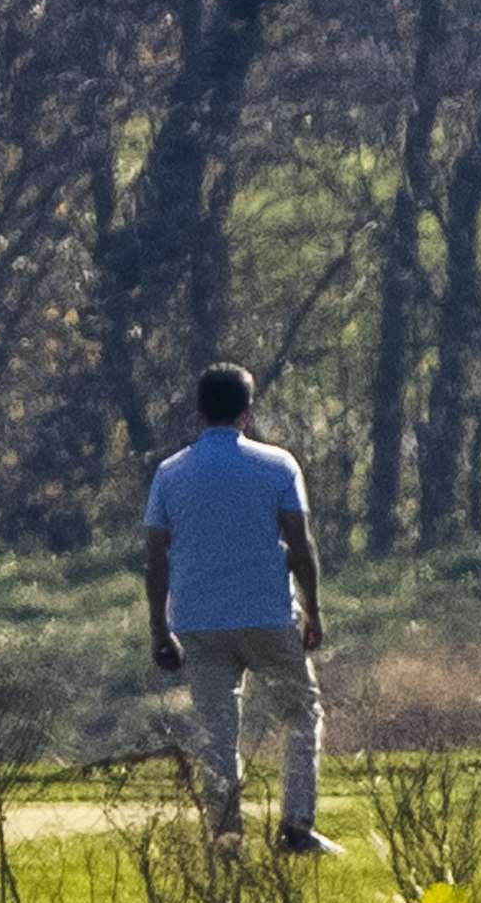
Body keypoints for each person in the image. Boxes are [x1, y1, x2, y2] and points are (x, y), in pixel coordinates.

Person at [142, 363, 340, 857]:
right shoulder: (277, 466)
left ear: (200, 410)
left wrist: (159, 630)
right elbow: (300, 545)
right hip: (267, 616)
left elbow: (155, 559)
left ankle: (227, 838)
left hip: (199, 622)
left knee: (217, 734)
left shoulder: (170, 474)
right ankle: (297, 828)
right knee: (300, 715)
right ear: (247, 412)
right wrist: (312, 610)